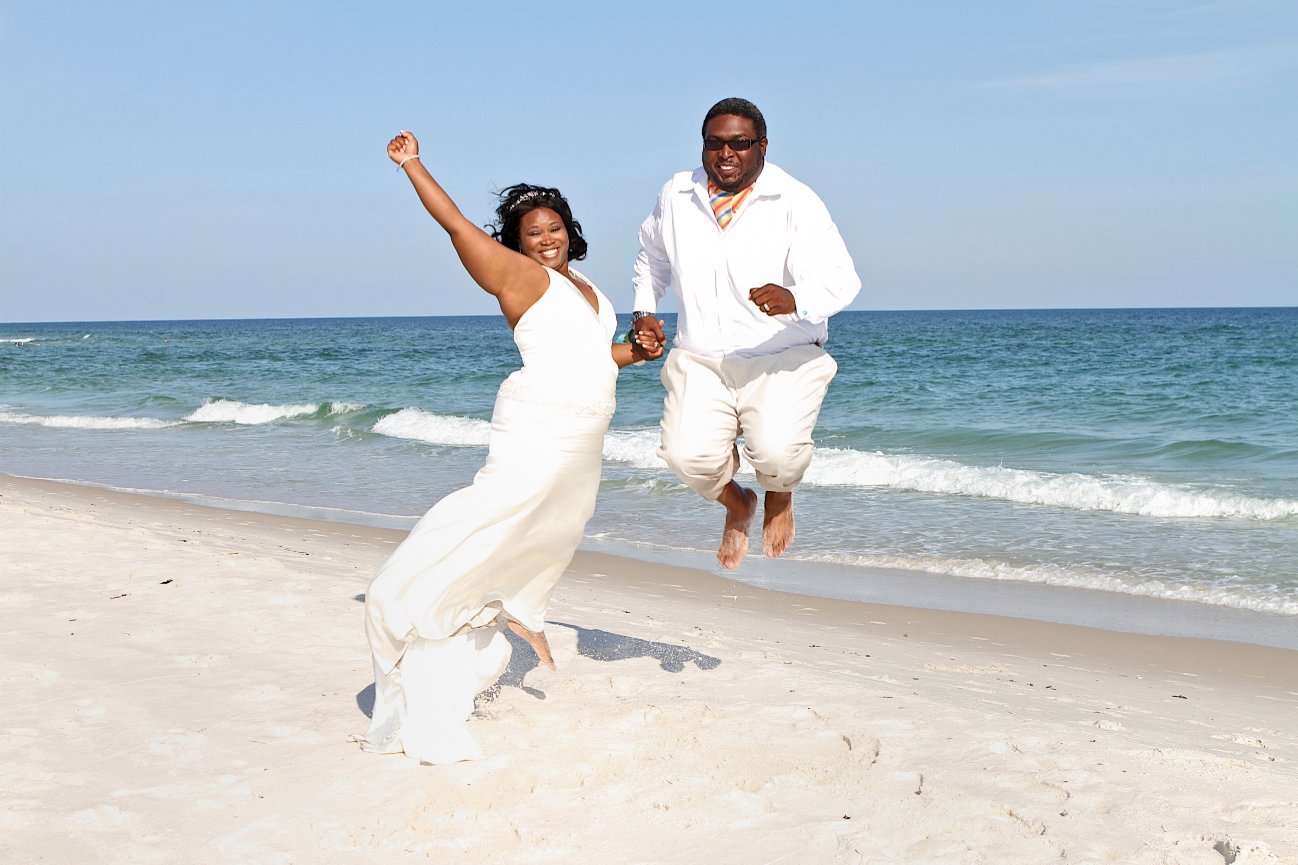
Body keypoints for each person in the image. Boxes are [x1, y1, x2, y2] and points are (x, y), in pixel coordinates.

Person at [356, 131, 663, 765]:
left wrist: (638, 351)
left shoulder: (591, 291)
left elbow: (592, 360)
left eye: (554, 229)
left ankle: (509, 613)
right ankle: (426, 610)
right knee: (496, 521)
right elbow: (456, 226)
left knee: (549, 531)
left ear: (569, 232)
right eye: (532, 233)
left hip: (582, 435)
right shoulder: (518, 278)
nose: (546, 239)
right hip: (539, 428)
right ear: (517, 244)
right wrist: (413, 165)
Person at [632, 98, 860, 570]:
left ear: (762, 146)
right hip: (701, 359)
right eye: (714, 143)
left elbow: (843, 280)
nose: (726, 154)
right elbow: (651, 257)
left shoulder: (796, 199)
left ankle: (779, 493)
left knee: (776, 453)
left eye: (739, 143)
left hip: (781, 356)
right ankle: (739, 504)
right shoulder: (676, 193)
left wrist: (795, 298)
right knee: (685, 456)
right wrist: (644, 310)